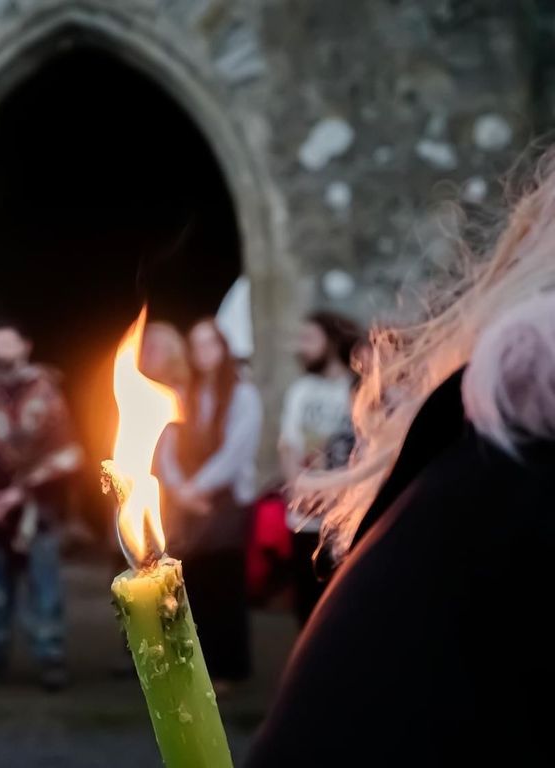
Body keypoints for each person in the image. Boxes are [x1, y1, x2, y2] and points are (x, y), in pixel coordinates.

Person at [247, 159, 555, 766]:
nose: (298, 346)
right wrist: (297, 476)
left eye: (308, 336)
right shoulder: (496, 472)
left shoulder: (491, 471)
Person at [0, 321, 83, 690]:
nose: (0, 347)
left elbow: (69, 452)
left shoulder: (48, 396)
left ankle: (50, 656)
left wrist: (23, 490)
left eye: (8, 341)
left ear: (25, 346)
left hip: (37, 511)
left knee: (44, 587)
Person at [157, 318, 262, 690]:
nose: (203, 353)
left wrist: (196, 489)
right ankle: (193, 664)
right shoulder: (183, 394)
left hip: (224, 503)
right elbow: (166, 445)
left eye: (210, 344)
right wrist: (178, 489)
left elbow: (236, 452)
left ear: (223, 349)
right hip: (188, 503)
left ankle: (226, 669)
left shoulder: (242, 394)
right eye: (196, 345)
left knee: (223, 586)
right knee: (191, 585)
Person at [277, 310, 362, 624]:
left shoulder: (359, 389)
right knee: (309, 610)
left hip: (348, 516)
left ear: (332, 340)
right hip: (306, 518)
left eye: (309, 338)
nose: (301, 346)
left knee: (345, 609)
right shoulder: (301, 391)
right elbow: (288, 445)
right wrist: (298, 490)